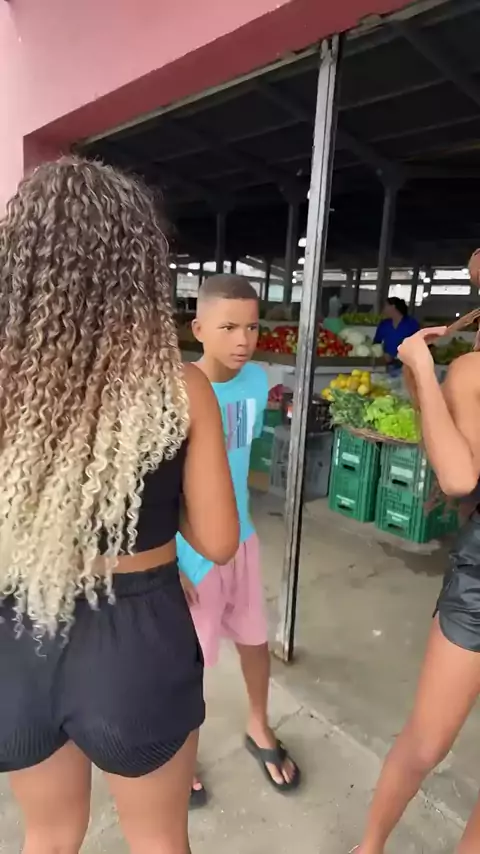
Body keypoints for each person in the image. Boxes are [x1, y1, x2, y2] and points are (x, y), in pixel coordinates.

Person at [0, 157, 240, 854]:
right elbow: (219, 540)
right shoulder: (181, 390)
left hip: (18, 630)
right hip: (138, 638)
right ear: (138, 271)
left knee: (47, 836)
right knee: (159, 841)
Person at [355, 254, 480, 854]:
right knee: (426, 743)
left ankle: (371, 846)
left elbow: (456, 478)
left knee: (425, 743)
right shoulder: (474, 370)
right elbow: (459, 474)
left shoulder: (472, 370)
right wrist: (424, 377)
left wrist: (423, 370)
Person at [176, 274, 301, 808]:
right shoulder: (178, 392)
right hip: (192, 554)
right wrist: (171, 561)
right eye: (228, 327)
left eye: (251, 327)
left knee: (254, 640)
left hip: (242, 540)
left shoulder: (256, 382)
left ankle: (258, 723)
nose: (243, 339)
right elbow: (159, 483)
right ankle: (181, 755)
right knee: (188, 663)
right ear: (199, 329)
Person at [373, 297, 420, 373]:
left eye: (386, 306)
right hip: (386, 367)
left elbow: (418, 346)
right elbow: (376, 343)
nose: (384, 310)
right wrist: (382, 355)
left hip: (406, 367)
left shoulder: (411, 324)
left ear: (393, 307)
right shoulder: (384, 324)